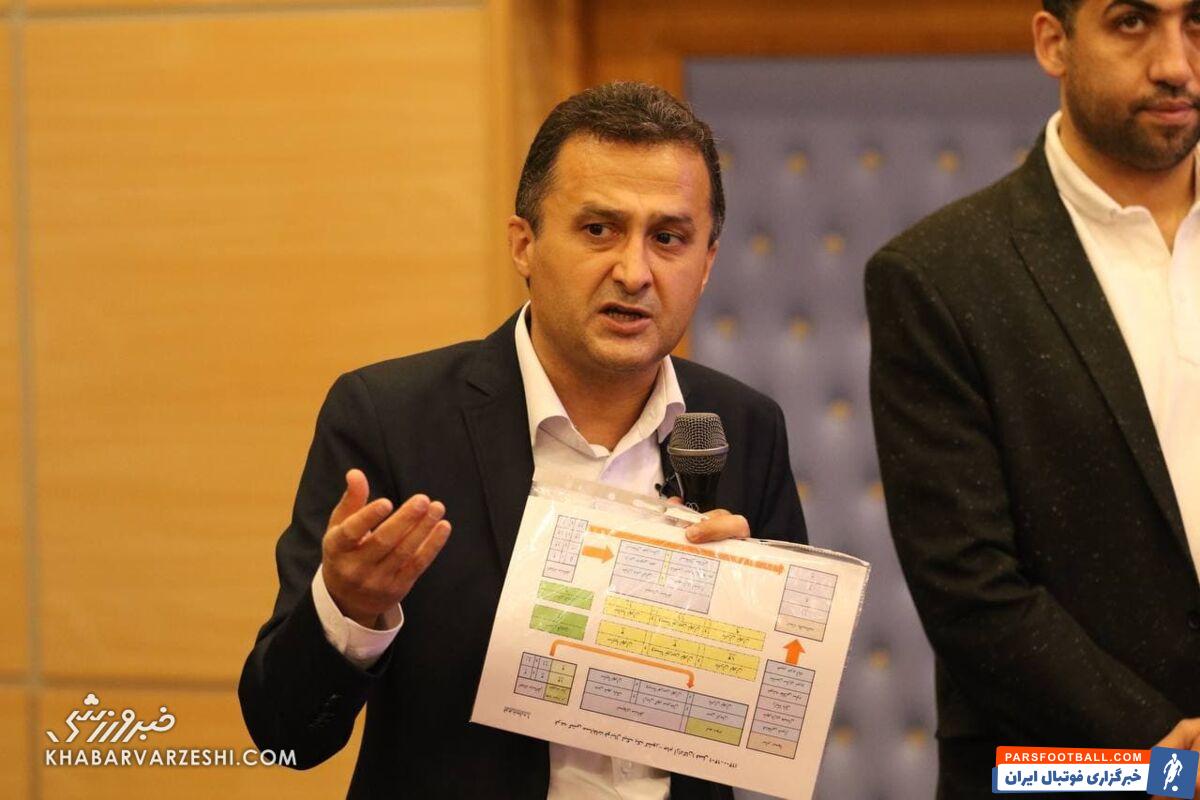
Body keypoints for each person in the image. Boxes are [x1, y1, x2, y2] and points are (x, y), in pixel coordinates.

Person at [239, 81, 807, 800]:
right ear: (524, 245)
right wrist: (348, 610)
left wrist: (741, 624)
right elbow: (286, 735)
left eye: (668, 238)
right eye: (598, 229)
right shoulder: (391, 419)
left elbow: (779, 721)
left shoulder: (741, 426)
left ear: (707, 263)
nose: (634, 272)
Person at [865, 1, 1200, 797]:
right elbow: (966, 583)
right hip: (1067, 773)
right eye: (1132, 22)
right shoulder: (938, 275)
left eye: (1198, 22)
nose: (1176, 64)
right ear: (1054, 41)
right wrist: (1171, 762)